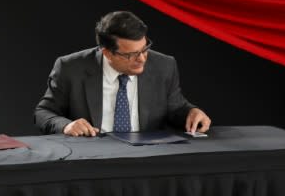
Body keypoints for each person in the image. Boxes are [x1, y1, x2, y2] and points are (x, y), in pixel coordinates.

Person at [34, 10, 210, 137]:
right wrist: (66, 125)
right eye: (131, 54)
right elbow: (43, 113)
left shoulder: (164, 65)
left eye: (145, 49)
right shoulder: (70, 68)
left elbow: (176, 108)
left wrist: (192, 112)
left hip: (147, 157)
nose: (142, 59)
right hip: (91, 158)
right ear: (107, 52)